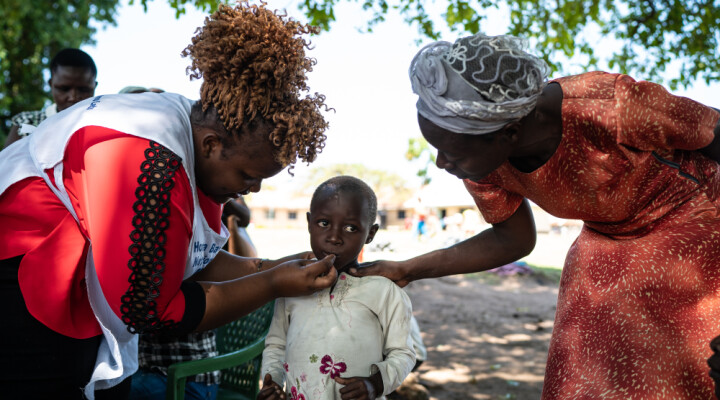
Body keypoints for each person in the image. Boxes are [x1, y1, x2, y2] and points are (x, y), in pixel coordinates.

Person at [350, 33, 720, 399]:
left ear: (509, 133)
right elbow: (513, 238)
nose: (442, 163)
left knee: (694, 367)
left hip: (699, 224)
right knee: (580, 376)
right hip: (608, 240)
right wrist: (406, 269)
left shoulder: (609, 106)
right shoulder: (483, 162)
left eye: (453, 154)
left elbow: (712, 130)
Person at [0, 4, 336, 399]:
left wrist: (269, 265)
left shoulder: (198, 136)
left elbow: (192, 259)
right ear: (213, 146)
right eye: (250, 176)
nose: (253, 190)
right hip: (23, 273)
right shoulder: (150, 157)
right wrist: (273, 283)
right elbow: (152, 310)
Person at [258, 176, 416, 400]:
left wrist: (374, 385)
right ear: (309, 223)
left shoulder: (383, 291)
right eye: (323, 223)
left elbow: (403, 353)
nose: (334, 237)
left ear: (370, 234)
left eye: (351, 228)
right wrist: (272, 383)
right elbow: (276, 345)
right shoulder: (291, 287)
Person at [3, 48, 97, 148]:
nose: (73, 97)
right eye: (64, 88)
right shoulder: (25, 123)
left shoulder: (105, 124)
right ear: (51, 84)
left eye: (83, 89)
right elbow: (6, 163)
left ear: (94, 86)